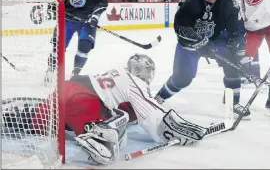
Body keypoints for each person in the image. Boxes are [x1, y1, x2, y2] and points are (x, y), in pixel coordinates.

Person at [2, 54, 217, 165]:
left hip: (67, 88)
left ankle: (14, 116)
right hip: (84, 102)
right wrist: (169, 129)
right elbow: (150, 115)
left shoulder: (116, 73)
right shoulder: (137, 83)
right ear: (144, 72)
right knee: (116, 132)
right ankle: (97, 134)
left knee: (37, 121)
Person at [154, 0, 251, 120]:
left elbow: (237, 30)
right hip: (190, 44)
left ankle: (233, 102)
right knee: (183, 78)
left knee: (232, 65)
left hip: (216, 39)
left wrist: (239, 53)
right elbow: (181, 27)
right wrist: (199, 41)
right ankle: (160, 97)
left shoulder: (228, 3)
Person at [44, 0, 108, 83]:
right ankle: (50, 70)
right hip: (68, 17)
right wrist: (56, 2)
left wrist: (94, 17)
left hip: (86, 20)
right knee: (58, 47)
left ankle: (75, 74)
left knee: (84, 47)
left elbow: (103, 3)